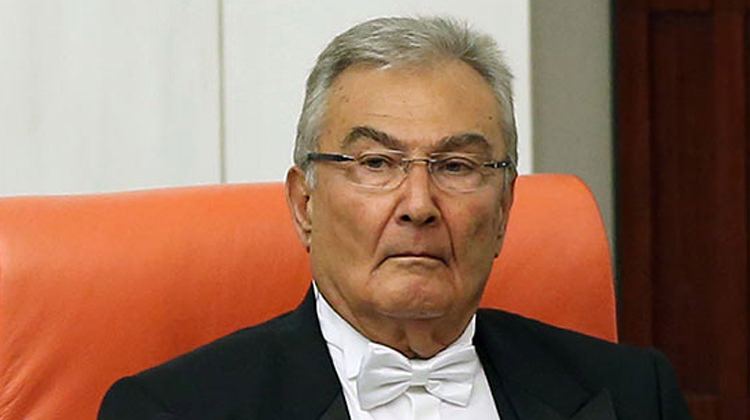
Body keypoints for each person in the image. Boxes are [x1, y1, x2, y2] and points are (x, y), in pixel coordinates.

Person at [98, 16, 692, 420]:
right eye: (377, 163)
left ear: (505, 208)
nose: (418, 205)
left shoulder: (634, 394)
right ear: (305, 204)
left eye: (456, 166)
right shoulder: (173, 409)